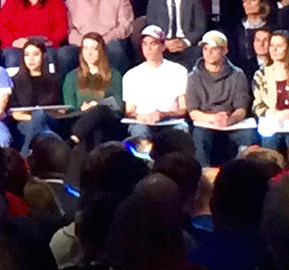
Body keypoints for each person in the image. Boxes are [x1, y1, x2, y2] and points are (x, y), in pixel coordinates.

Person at [186, 30, 254, 166]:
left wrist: (230, 120)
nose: (208, 53)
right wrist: (213, 119)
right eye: (205, 49)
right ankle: (204, 176)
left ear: (224, 50)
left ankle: (243, 175)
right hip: (206, 121)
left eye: (214, 48)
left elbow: (241, 108)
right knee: (200, 136)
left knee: (249, 135)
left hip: (231, 121)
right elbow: (193, 111)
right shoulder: (194, 76)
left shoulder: (237, 75)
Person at [0, 0, 70, 72]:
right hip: (17, 47)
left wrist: (51, 40)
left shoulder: (55, 0)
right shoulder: (12, 1)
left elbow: (62, 27)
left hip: (46, 47)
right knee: (12, 57)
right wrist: (13, 42)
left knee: (50, 57)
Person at [65, 0, 134, 72]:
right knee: (64, 55)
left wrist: (103, 41)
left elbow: (125, 26)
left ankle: (114, 87)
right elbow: (69, 29)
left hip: (109, 43)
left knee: (116, 49)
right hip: (81, 44)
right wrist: (86, 44)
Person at [61, 32, 124, 155]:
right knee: (94, 129)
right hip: (80, 120)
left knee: (99, 110)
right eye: (85, 48)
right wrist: (82, 108)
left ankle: (73, 140)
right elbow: (69, 107)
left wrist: (97, 104)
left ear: (101, 51)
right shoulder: (72, 76)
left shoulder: (114, 75)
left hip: (109, 123)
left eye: (94, 49)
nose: (89, 53)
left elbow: (119, 104)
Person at [122, 25, 189, 138]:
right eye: (145, 44)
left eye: (153, 44)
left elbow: (183, 109)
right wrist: (142, 117)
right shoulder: (131, 75)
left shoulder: (178, 71)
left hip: (170, 121)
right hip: (142, 122)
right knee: (140, 132)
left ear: (163, 46)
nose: (148, 48)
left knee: (180, 131)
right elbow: (129, 111)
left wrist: (163, 115)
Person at [145, 0, 207, 69]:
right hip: (164, 46)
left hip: (188, 46)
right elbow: (151, 28)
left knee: (198, 53)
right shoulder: (154, 2)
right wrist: (165, 43)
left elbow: (200, 27)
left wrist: (185, 42)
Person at [8, 37, 63, 154]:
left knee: (40, 118)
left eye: (35, 54)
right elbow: (16, 114)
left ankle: (25, 157)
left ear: (43, 56)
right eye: (27, 55)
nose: (31, 59)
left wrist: (42, 116)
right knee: (44, 130)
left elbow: (59, 110)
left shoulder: (55, 80)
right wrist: (38, 117)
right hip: (24, 123)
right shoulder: (15, 81)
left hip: (50, 121)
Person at [252, 29, 289, 152]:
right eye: (272, 45)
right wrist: (272, 114)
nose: (274, 50)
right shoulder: (261, 75)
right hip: (272, 123)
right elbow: (257, 106)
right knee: (269, 142)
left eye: (279, 46)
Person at [229, 0, 271, 72]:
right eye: (245, 1)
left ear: (261, 3)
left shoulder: (271, 27)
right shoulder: (237, 29)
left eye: (252, 0)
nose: (248, 4)